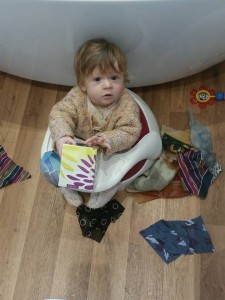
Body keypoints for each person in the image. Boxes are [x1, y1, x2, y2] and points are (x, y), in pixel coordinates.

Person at [48, 38, 142, 208]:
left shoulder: (127, 104)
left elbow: (131, 131)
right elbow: (59, 114)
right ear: (83, 84)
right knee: (66, 158)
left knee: (115, 171)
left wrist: (109, 139)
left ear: (124, 78)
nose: (107, 85)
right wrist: (63, 137)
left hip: (110, 150)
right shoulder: (77, 96)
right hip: (81, 143)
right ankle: (68, 185)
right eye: (98, 79)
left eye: (114, 78)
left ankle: (105, 190)